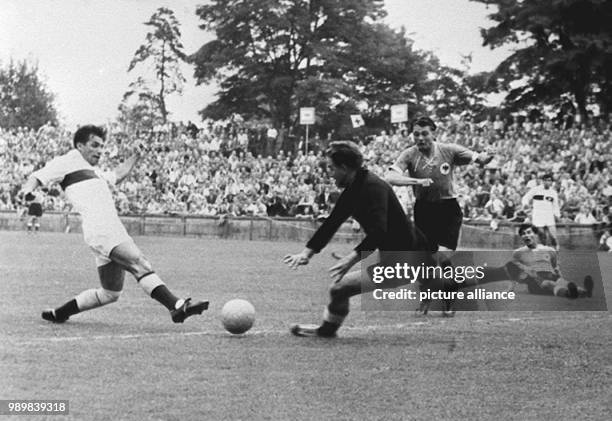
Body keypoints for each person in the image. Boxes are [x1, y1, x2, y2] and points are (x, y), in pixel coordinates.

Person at [19, 125, 208, 324]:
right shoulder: (68, 161)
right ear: (80, 145)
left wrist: (136, 155)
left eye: (102, 146)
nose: (100, 151)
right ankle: (176, 306)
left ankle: (60, 313)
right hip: (101, 230)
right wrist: (27, 190)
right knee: (139, 263)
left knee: (110, 292)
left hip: (108, 230)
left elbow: (117, 175)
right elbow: (38, 176)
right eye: (94, 145)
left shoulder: (94, 172)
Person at [283, 141, 435, 338]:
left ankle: (326, 331)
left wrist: (350, 259)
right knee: (339, 290)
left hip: (406, 257)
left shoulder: (373, 187)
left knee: (340, 289)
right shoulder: (354, 189)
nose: (329, 173)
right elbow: (332, 223)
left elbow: (379, 231)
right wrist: (306, 254)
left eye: (331, 168)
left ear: (345, 168)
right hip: (400, 254)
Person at [386, 116, 494, 313]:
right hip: (424, 210)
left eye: (424, 133)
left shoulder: (449, 150)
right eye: (416, 134)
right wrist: (416, 182)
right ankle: (426, 298)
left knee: (443, 258)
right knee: (424, 260)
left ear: (433, 132)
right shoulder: (409, 154)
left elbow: (479, 158)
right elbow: (390, 176)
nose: (420, 138)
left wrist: (487, 157)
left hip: (448, 209)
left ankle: (449, 299)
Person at [482, 224, 593, 298]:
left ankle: (585, 292)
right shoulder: (518, 253)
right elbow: (513, 270)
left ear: (535, 234)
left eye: (529, 232)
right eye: (523, 234)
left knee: (563, 282)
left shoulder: (549, 250)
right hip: (535, 280)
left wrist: (561, 277)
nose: (526, 235)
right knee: (549, 284)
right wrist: (510, 289)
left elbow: (555, 268)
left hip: (550, 275)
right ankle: (569, 293)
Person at [521, 173, 560, 249]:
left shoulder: (553, 193)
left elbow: (556, 206)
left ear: (551, 182)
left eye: (549, 181)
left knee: (553, 236)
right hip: (538, 215)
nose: (547, 182)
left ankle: (556, 250)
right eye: (545, 180)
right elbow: (525, 198)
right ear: (543, 181)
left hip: (549, 215)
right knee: (541, 234)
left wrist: (557, 215)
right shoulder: (535, 190)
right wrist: (526, 205)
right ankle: (544, 250)